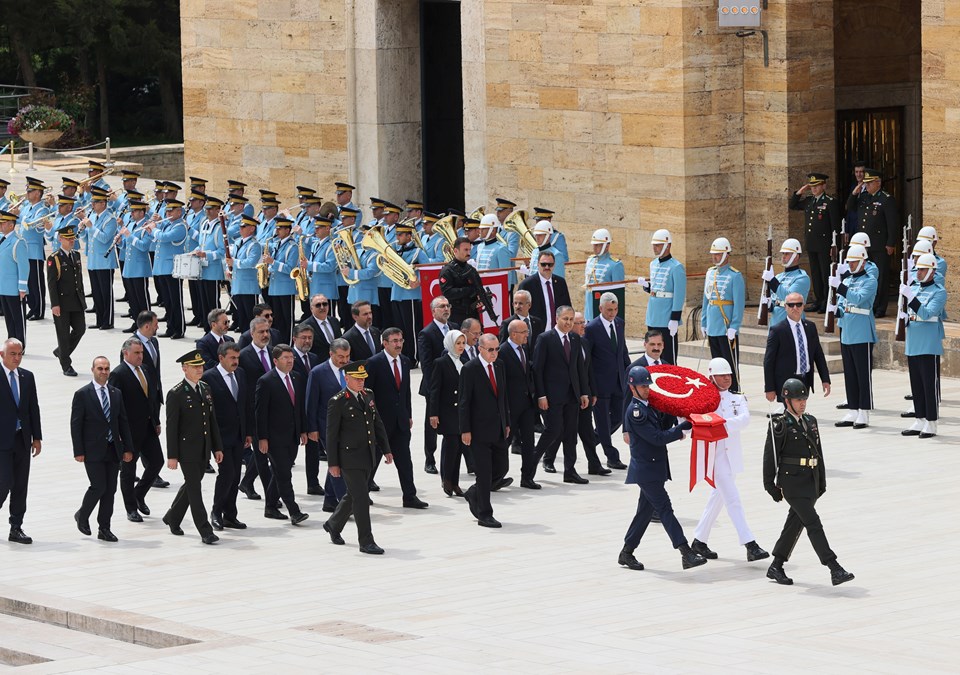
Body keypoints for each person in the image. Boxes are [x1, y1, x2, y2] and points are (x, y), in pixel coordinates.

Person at [762, 378, 855, 586]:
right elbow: (770, 457)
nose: (802, 403)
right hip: (792, 483)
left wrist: (821, 481)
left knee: (794, 524)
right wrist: (770, 485)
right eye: (798, 399)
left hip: (810, 482)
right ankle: (834, 567)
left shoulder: (810, 421)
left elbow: (818, 453)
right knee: (813, 523)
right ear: (787, 401)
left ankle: (776, 566)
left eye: (804, 398)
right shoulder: (780, 424)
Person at [618, 365, 705, 571]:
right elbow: (657, 438)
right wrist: (680, 429)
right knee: (665, 509)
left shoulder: (647, 406)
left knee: (644, 513)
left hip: (653, 469)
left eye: (647, 385)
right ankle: (686, 552)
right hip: (647, 471)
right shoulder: (636, 411)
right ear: (633, 388)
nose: (647, 389)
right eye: (642, 386)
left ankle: (626, 552)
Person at [689, 358, 769, 562]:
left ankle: (699, 540)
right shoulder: (704, 399)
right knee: (733, 499)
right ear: (711, 377)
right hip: (714, 457)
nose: (726, 379)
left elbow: (744, 419)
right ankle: (750, 544)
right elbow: (691, 418)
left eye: (728, 375)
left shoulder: (738, 398)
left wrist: (719, 425)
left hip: (731, 455)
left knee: (718, 498)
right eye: (722, 375)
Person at [323, 360, 392, 554]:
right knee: (361, 498)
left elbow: (377, 423)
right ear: (347, 379)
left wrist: (386, 449)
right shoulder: (338, 401)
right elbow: (331, 435)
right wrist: (333, 463)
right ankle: (366, 541)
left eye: (363, 378)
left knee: (353, 494)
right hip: (349, 457)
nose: (361, 382)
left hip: (367, 454)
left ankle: (333, 524)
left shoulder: (368, 395)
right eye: (356, 379)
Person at [162, 350, 224, 544]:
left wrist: (217, 447)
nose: (199, 370)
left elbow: (211, 421)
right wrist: (172, 456)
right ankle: (205, 531)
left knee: (190, 486)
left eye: (201, 366)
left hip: (203, 448)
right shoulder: (176, 393)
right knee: (195, 490)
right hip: (187, 450)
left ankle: (173, 517)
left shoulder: (205, 388)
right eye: (195, 367)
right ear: (184, 368)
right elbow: (171, 428)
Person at [71, 356, 134, 542]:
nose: (104, 372)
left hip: (112, 448)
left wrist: (128, 448)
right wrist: (78, 450)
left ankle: (104, 528)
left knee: (110, 490)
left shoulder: (116, 393)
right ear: (93, 370)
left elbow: (123, 422)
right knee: (98, 486)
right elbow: (76, 424)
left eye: (106, 368)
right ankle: (82, 515)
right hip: (92, 449)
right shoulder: (82, 394)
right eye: (100, 368)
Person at [365, 328, 428, 509]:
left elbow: (405, 392)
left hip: (400, 422)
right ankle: (362, 493)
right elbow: (368, 393)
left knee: (405, 461)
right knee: (372, 460)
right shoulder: (374, 363)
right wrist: (371, 420)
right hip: (380, 423)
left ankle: (410, 496)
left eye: (400, 340)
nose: (398, 344)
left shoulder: (406, 361)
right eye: (394, 341)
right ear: (385, 343)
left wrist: (408, 414)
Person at [529, 306, 589, 486]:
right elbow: (537, 369)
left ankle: (570, 471)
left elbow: (580, 368)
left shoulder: (575, 338)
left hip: (572, 395)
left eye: (571, 319)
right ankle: (529, 467)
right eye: (565, 319)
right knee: (552, 431)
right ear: (557, 319)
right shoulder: (545, 339)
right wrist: (541, 395)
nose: (569, 323)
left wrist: (583, 392)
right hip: (552, 396)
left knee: (571, 434)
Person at [109, 338, 164, 522]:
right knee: (128, 470)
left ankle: (138, 494)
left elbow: (152, 398)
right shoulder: (118, 374)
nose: (141, 356)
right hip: (129, 431)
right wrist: (117, 433)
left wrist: (155, 421)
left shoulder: (146, 370)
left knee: (157, 461)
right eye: (137, 353)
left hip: (148, 427)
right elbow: (115, 407)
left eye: (141, 353)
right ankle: (131, 508)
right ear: (126, 353)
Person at [459, 334, 511, 528]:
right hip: (478, 430)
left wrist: (506, 421)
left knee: (501, 468)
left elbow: (503, 396)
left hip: (498, 428)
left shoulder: (500, 365)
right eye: (490, 350)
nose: (494, 353)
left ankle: (474, 492)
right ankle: (484, 514)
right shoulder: (470, 369)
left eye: (497, 349)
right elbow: (464, 402)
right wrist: (465, 429)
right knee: (484, 472)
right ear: (480, 349)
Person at [255, 344, 309, 524]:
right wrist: (262, 438)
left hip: (292, 435)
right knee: (284, 474)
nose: (290, 361)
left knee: (280, 472)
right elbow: (260, 413)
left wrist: (303, 430)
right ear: (275, 361)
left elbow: (300, 407)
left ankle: (270, 506)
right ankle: (294, 510)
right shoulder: (266, 381)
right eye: (285, 358)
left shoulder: (297, 377)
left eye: (291, 357)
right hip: (274, 437)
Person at [202, 342, 253, 530]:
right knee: (226, 473)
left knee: (235, 476)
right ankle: (216, 512)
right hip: (221, 437)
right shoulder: (209, 378)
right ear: (221, 358)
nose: (236, 362)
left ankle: (230, 514)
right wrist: (212, 443)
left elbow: (245, 404)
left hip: (238, 435)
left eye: (237, 358)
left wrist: (248, 432)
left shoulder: (240, 374)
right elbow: (208, 413)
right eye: (232, 358)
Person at [828, 244, 877, 428]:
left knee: (862, 374)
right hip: (847, 330)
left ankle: (864, 410)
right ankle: (853, 408)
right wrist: (835, 310)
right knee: (849, 372)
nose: (851, 265)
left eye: (854, 261)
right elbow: (843, 304)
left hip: (862, 330)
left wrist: (839, 286)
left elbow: (858, 299)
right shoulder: (847, 281)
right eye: (849, 262)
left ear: (863, 262)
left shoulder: (870, 280)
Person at [900, 253, 947, 438]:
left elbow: (927, 313)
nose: (918, 273)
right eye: (918, 269)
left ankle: (932, 422)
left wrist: (910, 297)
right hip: (913, 342)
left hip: (928, 343)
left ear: (932, 271)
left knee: (929, 385)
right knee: (916, 385)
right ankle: (920, 418)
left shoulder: (939, 291)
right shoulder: (915, 289)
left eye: (922, 269)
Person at [0, 338, 42, 544]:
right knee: (4, 482)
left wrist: (37, 437)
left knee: (20, 485)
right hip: (1, 442)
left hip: (21, 439)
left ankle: (16, 526)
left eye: (20, 354)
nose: (17, 358)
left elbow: (33, 408)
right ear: (2, 355)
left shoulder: (27, 377)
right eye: (12, 354)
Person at [585, 292, 630, 470]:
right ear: (601, 308)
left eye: (615, 309)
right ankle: (611, 456)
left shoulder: (619, 323)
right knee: (603, 421)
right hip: (600, 384)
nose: (612, 313)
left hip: (619, 381)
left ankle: (593, 439)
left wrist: (630, 373)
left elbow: (623, 351)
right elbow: (587, 358)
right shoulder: (592, 328)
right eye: (609, 310)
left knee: (619, 416)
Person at [763, 292, 831, 408]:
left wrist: (825, 379)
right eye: (791, 305)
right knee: (792, 413)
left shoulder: (810, 327)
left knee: (800, 411)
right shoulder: (777, 330)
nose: (795, 308)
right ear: (785, 307)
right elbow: (769, 361)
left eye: (798, 305)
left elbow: (818, 355)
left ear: (803, 306)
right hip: (786, 381)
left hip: (805, 378)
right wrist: (769, 388)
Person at [846, 167, 898, 317]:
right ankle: (869, 304)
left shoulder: (886, 199)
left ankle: (880, 307)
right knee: (865, 275)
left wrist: (890, 243)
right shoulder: (863, 197)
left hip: (879, 244)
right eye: (865, 184)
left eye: (869, 183)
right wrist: (855, 192)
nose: (866, 186)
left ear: (878, 183)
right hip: (863, 246)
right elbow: (850, 207)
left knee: (880, 276)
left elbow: (892, 223)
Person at [306, 338, 351, 509]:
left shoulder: (353, 368)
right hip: (326, 425)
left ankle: (330, 500)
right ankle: (344, 501)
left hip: (349, 425)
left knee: (337, 459)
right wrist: (312, 428)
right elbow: (311, 403)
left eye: (347, 356)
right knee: (338, 460)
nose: (344, 361)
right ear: (331, 354)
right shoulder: (318, 372)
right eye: (340, 357)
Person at [789, 173, 842, 313]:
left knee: (825, 274)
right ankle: (818, 300)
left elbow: (835, 226)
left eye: (816, 186)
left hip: (825, 245)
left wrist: (834, 245)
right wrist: (800, 191)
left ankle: (826, 300)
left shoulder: (830, 202)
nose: (813, 189)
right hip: (812, 244)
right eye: (812, 186)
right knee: (816, 274)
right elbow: (792, 205)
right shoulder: (809, 201)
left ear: (823, 185)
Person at [417, 295, 458, 474]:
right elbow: (426, 364)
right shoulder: (426, 333)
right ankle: (430, 459)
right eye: (441, 306)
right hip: (435, 386)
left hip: (455, 385)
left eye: (448, 305)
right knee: (432, 423)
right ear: (433, 311)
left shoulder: (455, 328)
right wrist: (437, 386)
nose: (446, 309)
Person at [237, 317, 277, 503]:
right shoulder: (243, 356)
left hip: (273, 411)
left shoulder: (272, 351)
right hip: (254, 412)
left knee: (268, 452)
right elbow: (242, 388)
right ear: (252, 333)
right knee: (262, 455)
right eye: (261, 332)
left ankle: (246, 481)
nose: (265, 335)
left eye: (267, 331)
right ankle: (272, 496)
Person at [701, 237, 745, 392]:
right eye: (713, 254)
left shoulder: (735, 276)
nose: (714, 257)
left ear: (727, 254)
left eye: (718, 254)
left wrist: (735, 325)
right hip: (713, 326)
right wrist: (704, 322)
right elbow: (707, 300)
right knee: (716, 363)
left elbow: (739, 304)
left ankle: (734, 391)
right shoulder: (710, 273)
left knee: (730, 364)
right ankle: (718, 391)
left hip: (726, 327)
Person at [639, 229, 686, 366]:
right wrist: (647, 286)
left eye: (658, 245)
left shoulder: (676, 267)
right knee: (652, 352)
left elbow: (679, 294)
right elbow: (656, 289)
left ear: (668, 245)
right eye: (654, 245)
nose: (655, 248)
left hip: (666, 316)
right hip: (653, 314)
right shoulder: (653, 264)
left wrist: (675, 318)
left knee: (668, 355)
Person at [430, 329, 468, 496]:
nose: (461, 346)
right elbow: (435, 390)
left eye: (463, 343)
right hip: (447, 411)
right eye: (457, 343)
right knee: (450, 445)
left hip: (462, 412)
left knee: (459, 447)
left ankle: (455, 482)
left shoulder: (465, 361)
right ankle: (446, 479)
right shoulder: (441, 362)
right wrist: (433, 413)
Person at [46, 224, 86, 376]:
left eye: (73, 238)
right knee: (63, 334)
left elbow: (79, 280)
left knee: (80, 329)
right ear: (60, 239)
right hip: (62, 303)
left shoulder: (76, 255)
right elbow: (51, 283)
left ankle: (61, 351)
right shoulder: (54, 258)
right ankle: (66, 365)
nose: (71, 241)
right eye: (68, 239)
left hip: (76, 301)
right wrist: (55, 304)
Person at [516, 251, 571, 334]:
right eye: (543, 264)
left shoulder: (560, 283)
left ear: (554, 265)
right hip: (536, 334)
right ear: (538, 264)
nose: (547, 267)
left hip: (558, 332)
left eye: (550, 264)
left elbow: (567, 307)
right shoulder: (527, 285)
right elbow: (519, 311)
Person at [761, 239, 811, 326]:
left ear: (796, 256)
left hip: (792, 321)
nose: (783, 256)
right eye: (783, 253)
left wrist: (772, 281)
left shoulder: (802, 278)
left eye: (787, 254)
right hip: (775, 321)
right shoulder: (779, 277)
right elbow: (774, 299)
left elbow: (789, 296)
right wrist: (769, 305)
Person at [439, 237, 487, 325]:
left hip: (472, 313)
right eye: (465, 250)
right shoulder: (447, 271)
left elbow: (479, 288)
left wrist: (480, 300)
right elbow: (447, 292)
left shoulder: (471, 269)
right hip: (456, 315)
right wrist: (469, 290)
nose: (468, 253)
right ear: (456, 251)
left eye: (469, 249)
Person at [0, 210, 30, 346]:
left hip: (14, 289)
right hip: (3, 287)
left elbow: (24, 267)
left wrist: (22, 288)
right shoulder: (3, 239)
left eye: (3, 223)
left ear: (11, 225)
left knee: (18, 319)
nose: (0, 225)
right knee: (9, 319)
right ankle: (11, 345)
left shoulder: (18, 242)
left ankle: (20, 345)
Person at [583, 229, 624, 320]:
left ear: (606, 246)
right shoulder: (590, 260)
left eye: (598, 245)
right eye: (594, 245)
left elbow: (618, 293)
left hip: (604, 309)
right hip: (589, 307)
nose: (594, 247)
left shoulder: (615, 265)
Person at [303, 293, 342, 363]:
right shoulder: (305, 326)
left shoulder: (334, 321)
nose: (322, 307)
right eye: (318, 305)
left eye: (325, 304)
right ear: (311, 308)